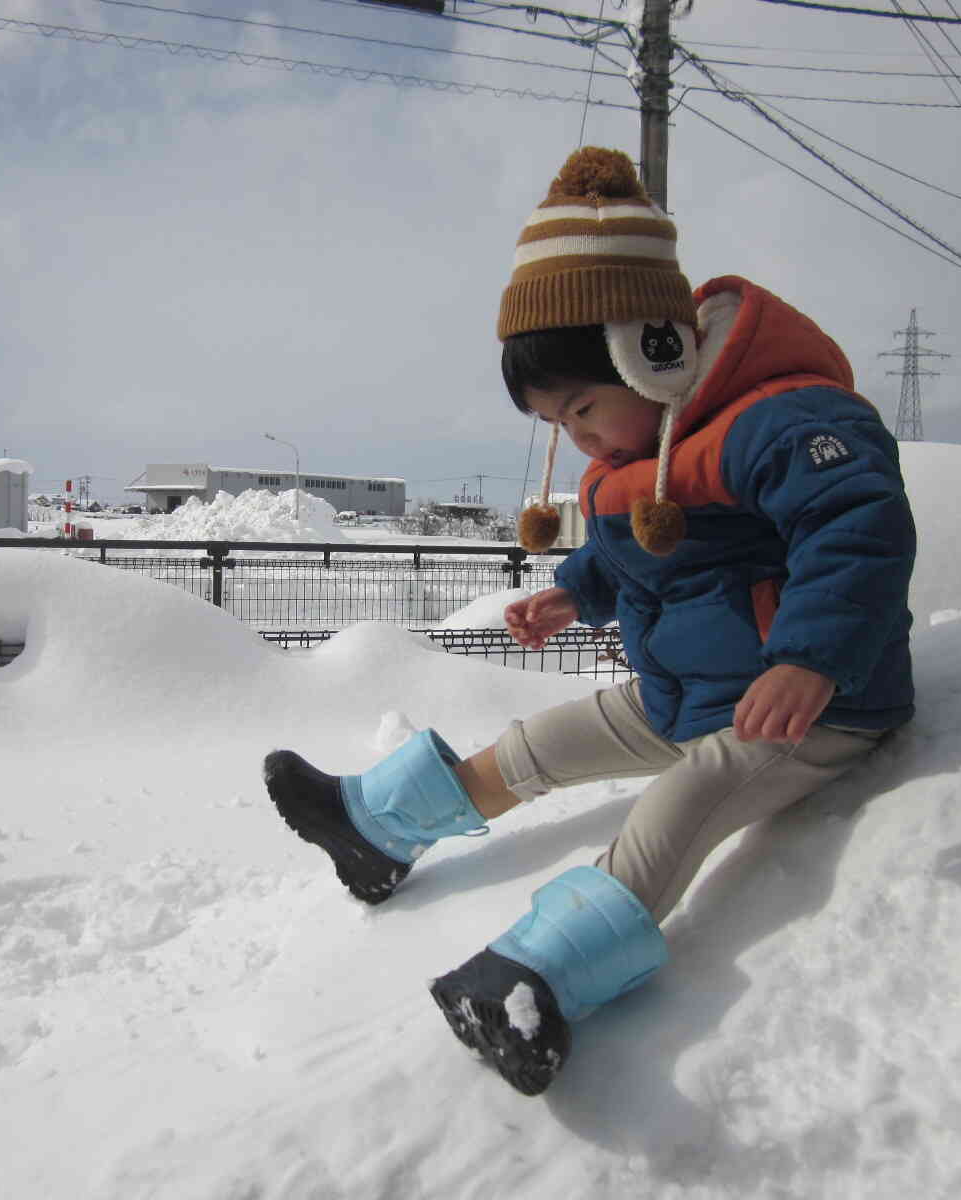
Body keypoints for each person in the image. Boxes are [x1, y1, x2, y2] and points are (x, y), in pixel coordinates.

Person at [263, 146, 916, 1097]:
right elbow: (638, 551)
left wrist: (812, 657)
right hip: (688, 691)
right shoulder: (645, 446)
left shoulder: (785, 418)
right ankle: (376, 828)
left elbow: (857, 528)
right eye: (558, 426)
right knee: (542, 740)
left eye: (583, 408)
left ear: (655, 350)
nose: (582, 438)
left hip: (810, 707)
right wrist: (578, 590)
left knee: (685, 803)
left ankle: (537, 982)